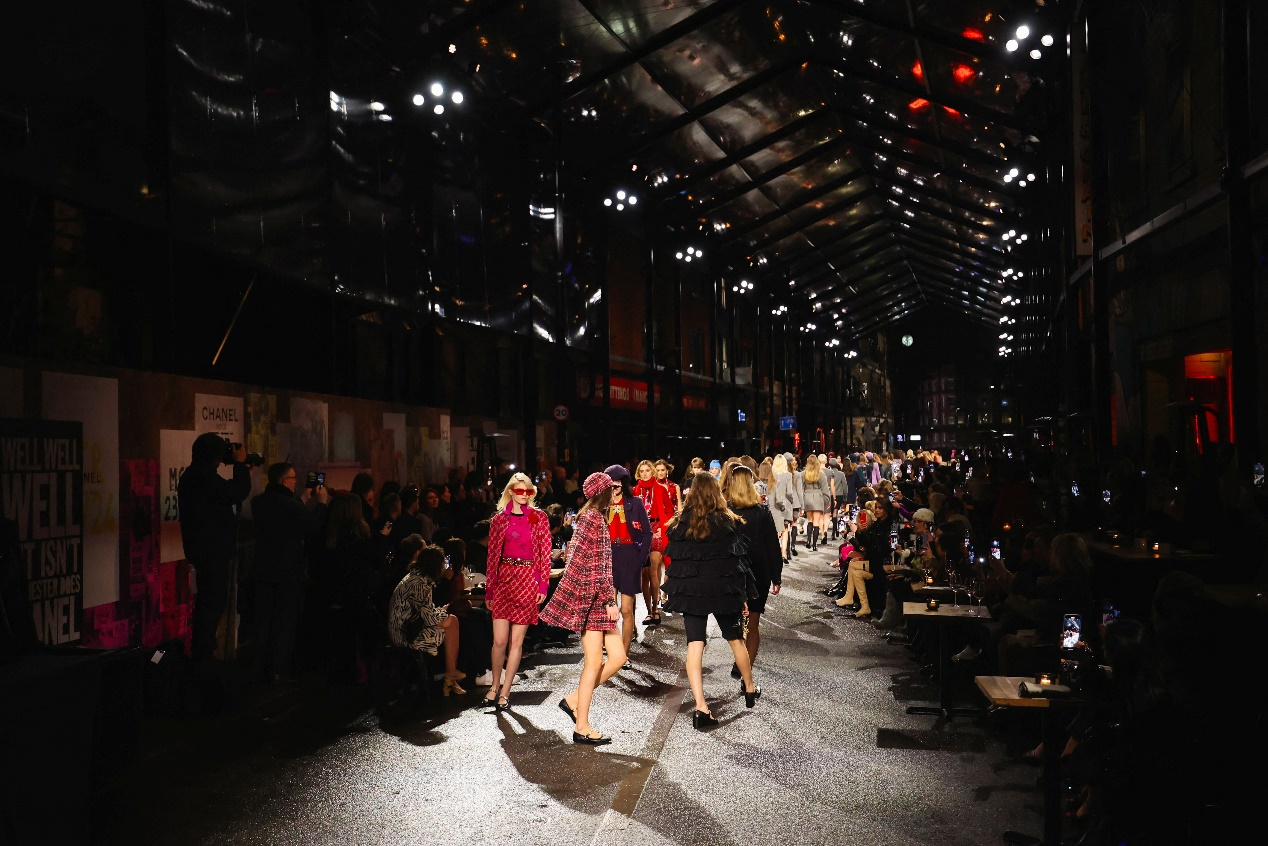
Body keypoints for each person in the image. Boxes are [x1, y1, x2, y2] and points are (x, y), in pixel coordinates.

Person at [663, 472, 760, 729]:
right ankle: (750, 687)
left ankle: (701, 707)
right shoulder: (727, 521)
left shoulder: (680, 523)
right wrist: (742, 596)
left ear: (692, 492)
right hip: (721, 591)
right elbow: (736, 563)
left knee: (695, 645)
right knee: (736, 640)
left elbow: (676, 562)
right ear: (716, 492)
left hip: (692, 592)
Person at [539, 472, 626, 745]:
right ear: (602, 492)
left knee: (618, 657)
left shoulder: (587, 517)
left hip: (593, 596)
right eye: (612, 488)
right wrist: (609, 600)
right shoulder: (593, 520)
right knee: (594, 663)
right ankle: (582, 727)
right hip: (595, 599)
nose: (615, 492)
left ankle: (574, 701)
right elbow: (598, 566)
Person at [177, 433, 255, 667]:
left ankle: (203, 654)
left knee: (210, 603)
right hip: (211, 553)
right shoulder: (200, 478)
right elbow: (235, 492)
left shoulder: (196, 476)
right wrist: (240, 466)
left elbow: (228, 491)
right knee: (210, 605)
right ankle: (203, 657)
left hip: (208, 551)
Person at [248, 462, 328, 684]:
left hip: (263, 569)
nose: (296, 482)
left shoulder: (259, 502)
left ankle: (257, 668)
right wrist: (321, 503)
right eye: (293, 478)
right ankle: (277, 669)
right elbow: (312, 525)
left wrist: (303, 498)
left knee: (262, 621)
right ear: (284, 481)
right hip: (287, 572)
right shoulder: (290, 506)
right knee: (284, 622)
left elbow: (286, 515)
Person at [481, 472, 553, 710]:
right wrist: (490, 590)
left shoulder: (539, 517)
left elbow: (545, 553)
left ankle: (505, 691)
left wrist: (542, 585)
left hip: (527, 579)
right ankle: (494, 686)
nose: (524, 495)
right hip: (504, 579)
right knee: (499, 640)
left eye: (528, 491)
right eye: (520, 491)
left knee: (516, 642)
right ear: (511, 492)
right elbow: (492, 556)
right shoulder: (499, 520)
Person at [387, 537, 466, 695]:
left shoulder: (418, 578)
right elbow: (428, 616)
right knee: (451, 622)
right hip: (405, 633)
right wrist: (443, 612)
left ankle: (450, 677)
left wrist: (441, 612)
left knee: (452, 621)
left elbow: (424, 611)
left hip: (411, 625)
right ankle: (450, 675)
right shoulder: (418, 583)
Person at [725, 464, 782, 678]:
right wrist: (776, 576)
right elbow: (772, 546)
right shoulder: (762, 512)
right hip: (759, 572)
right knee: (753, 623)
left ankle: (740, 663)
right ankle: (745, 671)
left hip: (733, 573)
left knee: (736, 622)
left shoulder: (726, 512)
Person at [603, 464, 652, 657]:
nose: (614, 488)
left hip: (630, 555)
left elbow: (647, 533)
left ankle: (624, 654)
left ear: (623, 484)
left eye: (617, 484)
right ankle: (613, 649)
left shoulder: (635, 503)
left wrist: (640, 557)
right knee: (609, 609)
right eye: (610, 485)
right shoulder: (601, 505)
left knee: (626, 609)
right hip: (609, 556)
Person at [634, 460, 674, 627]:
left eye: (647, 470)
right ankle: (649, 611)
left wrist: (664, 527)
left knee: (653, 570)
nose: (644, 474)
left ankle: (656, 609)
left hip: (656, 529)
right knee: (643, 574)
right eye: (642, 471)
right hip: (640, 531)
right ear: (638, 473)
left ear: (652, 472)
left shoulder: (660, 489)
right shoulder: (635, 491)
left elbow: (670, 511)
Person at [800, 454, 831, 551]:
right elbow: (825, 490)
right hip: (818, 498)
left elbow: (801, 489)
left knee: (810, 520)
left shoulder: (803, 474)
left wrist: (801, 501)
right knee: (816, 522)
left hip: (807, 497)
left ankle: (808, 541)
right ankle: (814, 545)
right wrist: (826, 501)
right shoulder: (821, 474)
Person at [770, 453, 796, 562]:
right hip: (786, 504)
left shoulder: (772, 475)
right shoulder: (788, 475)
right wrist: (792, 501)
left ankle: (774, 553)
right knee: (785, 529)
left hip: (774, 505)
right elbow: (789, 492)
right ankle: (784, 553)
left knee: (776, 529)